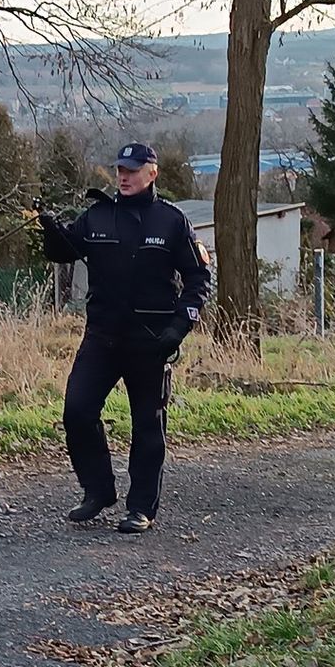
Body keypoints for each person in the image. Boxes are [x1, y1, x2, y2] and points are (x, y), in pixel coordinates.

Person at [38, 142, 212, 534]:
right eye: (120, 169)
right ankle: (97, 490)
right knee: (77, 411)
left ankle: (141, 509)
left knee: (147, 427)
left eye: (132, 170)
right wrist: (51, 232)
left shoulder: (172, 221)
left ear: (152, 173)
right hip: (102, 336)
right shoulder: (98, 214)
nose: (123, 176)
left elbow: (199, 279)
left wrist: (178, 327)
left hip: (151, 339)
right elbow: (64, 251)